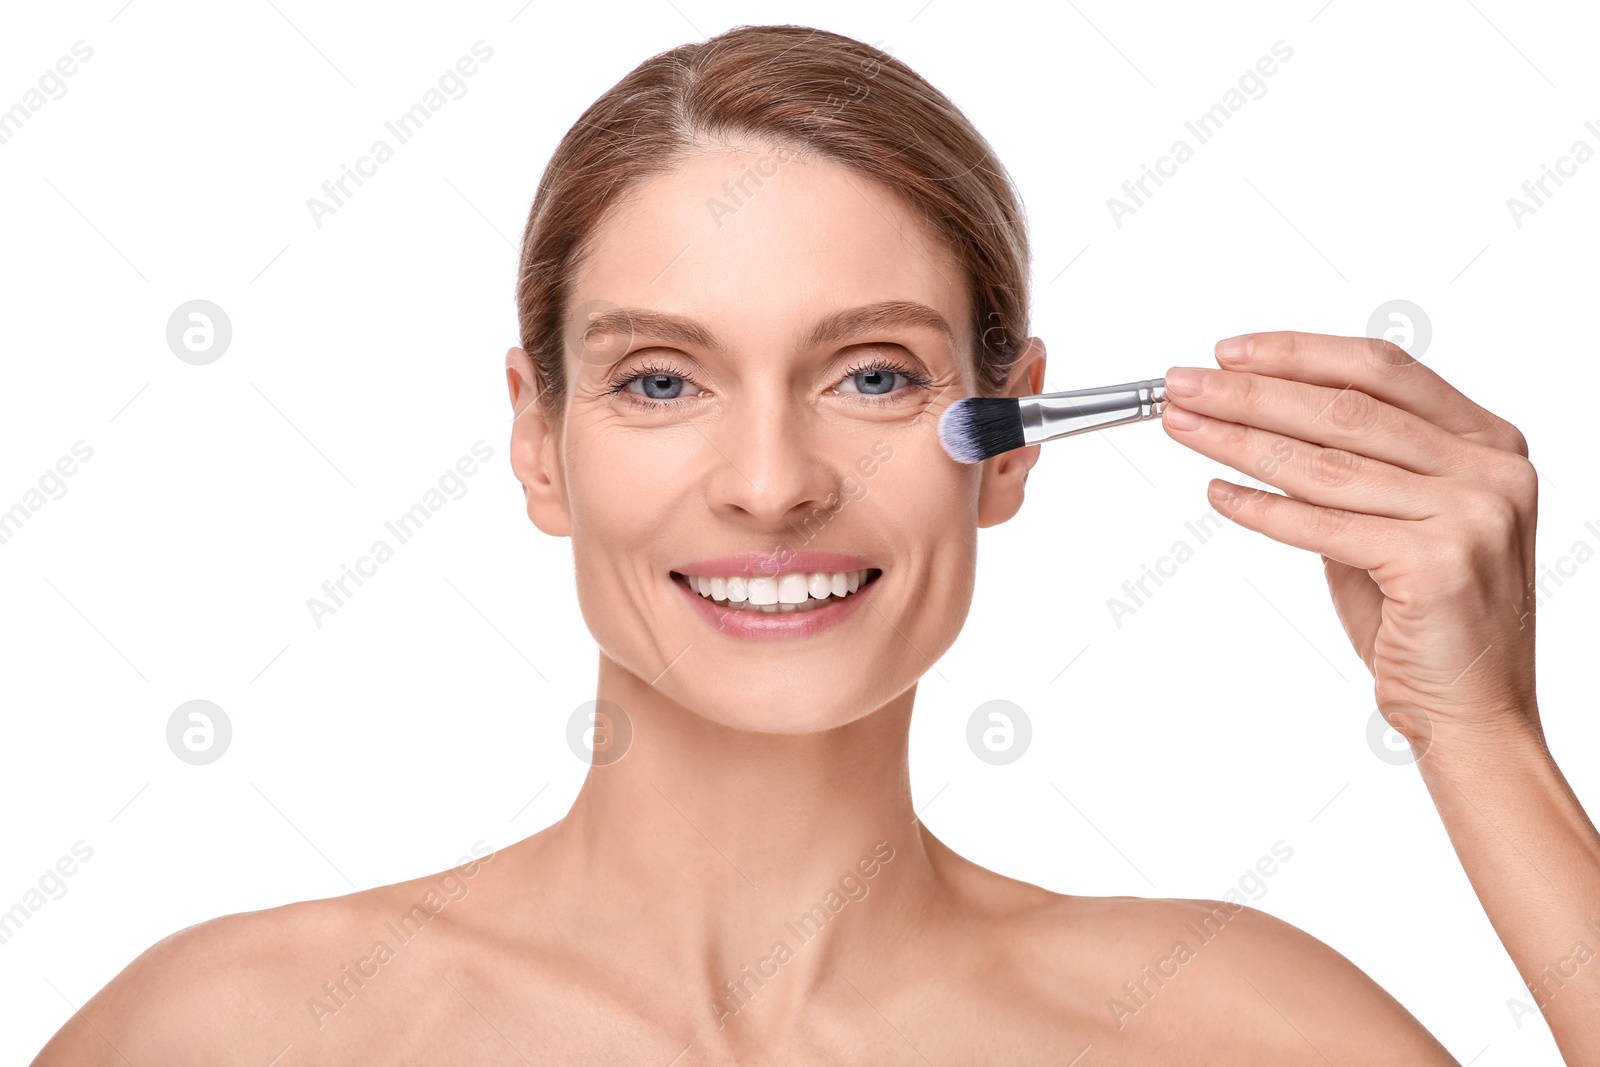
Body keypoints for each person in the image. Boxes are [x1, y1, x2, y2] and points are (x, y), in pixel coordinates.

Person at [33, 23, 1599, 1065]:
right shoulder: (237, 1033)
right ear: (538, 435)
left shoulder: (1236, 1028)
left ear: (1008, 435)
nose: (772, 484)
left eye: (872, 377)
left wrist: (1481, 737)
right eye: (661, 380)